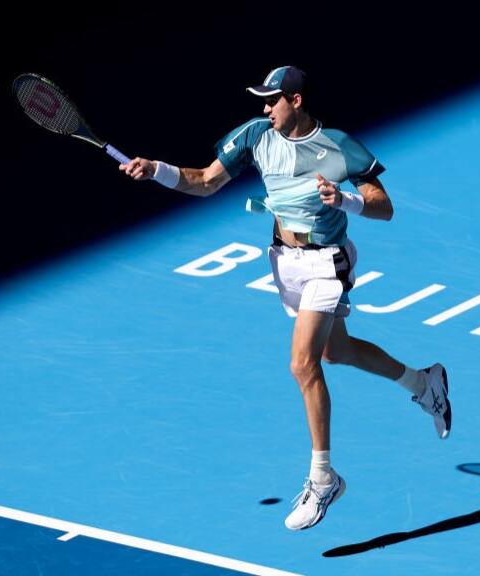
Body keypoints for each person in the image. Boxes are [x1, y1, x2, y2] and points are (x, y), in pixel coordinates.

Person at [119, 66, 451, 531]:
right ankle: (423, 383)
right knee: (336, 351)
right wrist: (155, 170)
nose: (264, 108)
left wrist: (346, 201)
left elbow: (384, 206)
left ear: (295, 101)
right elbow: (205, 180)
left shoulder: (337, 145)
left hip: (326, 262)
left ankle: (323, 478)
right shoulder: (256, 135)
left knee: (302, 364)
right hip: (285, 262)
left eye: (272, 100)